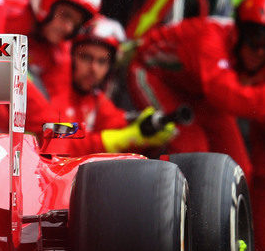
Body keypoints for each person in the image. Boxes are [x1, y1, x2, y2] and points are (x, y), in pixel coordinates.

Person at [128, 0, 265, 178]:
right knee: (190, 148)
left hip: (200, 91)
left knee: (238, 168)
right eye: (255, 38)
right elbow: (228, 96)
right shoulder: (210, 40)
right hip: (154, 75)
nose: (260, 52)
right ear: (239, 31)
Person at [44, 16, 175, 156]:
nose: (94, 68)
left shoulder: (96, 100)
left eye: (102, 62)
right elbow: (57, 138)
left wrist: (144, 131)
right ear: (71, 55)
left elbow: (116, 123)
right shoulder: (53, 88)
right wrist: (115, 140)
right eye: (86, 57)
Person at [6, 0, 102, 100]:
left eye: (76, 23)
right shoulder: (8, 10)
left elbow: (55, 104)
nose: (69, 28)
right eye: (65, 15)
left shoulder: (60, 53)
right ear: (46, 2)